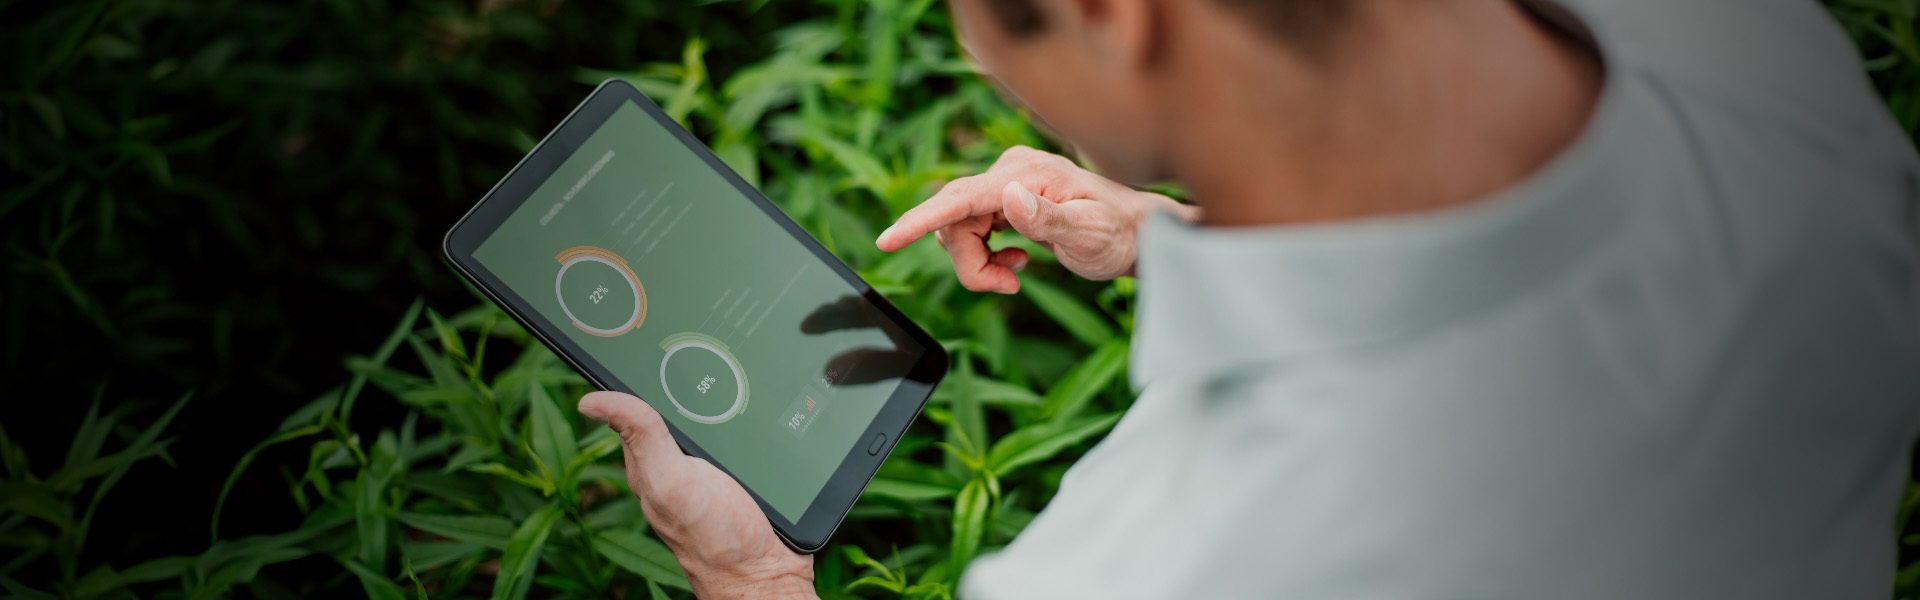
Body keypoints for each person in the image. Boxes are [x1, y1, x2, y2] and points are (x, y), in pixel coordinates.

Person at [575, 0, 1920, 596]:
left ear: (1115, 12)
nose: (982, 58)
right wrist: (1168, 233)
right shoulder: (1754, 53)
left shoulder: (1167, 572)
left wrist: (748, 576)